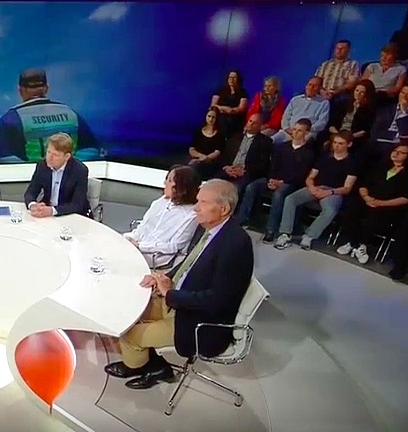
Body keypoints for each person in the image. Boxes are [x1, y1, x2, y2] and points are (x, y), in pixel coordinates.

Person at [104, 179, 253, 390]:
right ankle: (150, 364)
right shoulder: (210, 228)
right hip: (181, 301)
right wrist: (162, 277)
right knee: (126, 312)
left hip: (199, 322)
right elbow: (189, 263)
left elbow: (217, 301)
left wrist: (170, 295)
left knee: (129, 333)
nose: (195, 207)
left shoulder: (236, 245)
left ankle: (142, 367)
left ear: (224, 209)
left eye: (203, 202)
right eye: (197, 201)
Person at [0, 68, 102, 163]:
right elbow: (91, 151)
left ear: (20, 90)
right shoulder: (71, 114)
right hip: (70, 178)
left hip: (33, 179)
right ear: (46, 88)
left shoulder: (11, 119)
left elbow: (4, 159)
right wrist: (67, 168)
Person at [274, 131, 358, 250]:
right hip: (317, 187)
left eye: (340, 143)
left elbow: (347, 188)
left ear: (349, 144)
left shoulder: (352, 163)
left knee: (330, 210)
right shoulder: (324, 158)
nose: (336, 146)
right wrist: (312, 187)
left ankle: (309, 236)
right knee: (290, 199)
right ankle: (285, 233)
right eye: (335, 142)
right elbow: (310, 177)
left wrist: (329, 192)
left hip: (334, 191)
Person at [237, 119, 316, 241]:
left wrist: (281, 182)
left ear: (306, 133)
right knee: (252, 186)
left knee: (279, 194)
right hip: (274, 179)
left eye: (299, 130)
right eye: (294, 129)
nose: (295, 132)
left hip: (291, 183)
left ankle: (271, 229)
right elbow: (272, 166)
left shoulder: (309, 153)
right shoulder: (282, 147)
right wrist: (271, 179)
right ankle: (241, 220)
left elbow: (301, 174)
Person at [335, 143, 408, 264]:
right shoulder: (380, 166)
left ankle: (360, 244)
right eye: (395, 150)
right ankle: (355, 244)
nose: (396, 153)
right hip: (369, 199)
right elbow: (363, 184)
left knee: (373, 220)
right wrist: (366, 197)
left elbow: (405, 198)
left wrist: (381, 203)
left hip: (389, 206)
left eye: (401, 152)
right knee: (350, 210)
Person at [123, 165, 199, 268]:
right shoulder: (161, 201)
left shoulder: (191, 216)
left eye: (170, 180)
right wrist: (129, 238)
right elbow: (143, 227)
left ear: (181, 187)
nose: (165, 183)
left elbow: (173, 246)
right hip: (137, 245)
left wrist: (141, 246)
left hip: (155, 257)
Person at [23, 132, 90, 218]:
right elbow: (30, 192)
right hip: (48, 215)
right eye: (48, 152)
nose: (49, 158)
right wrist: (33, 205)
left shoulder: (79, 170)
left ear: (67, 156)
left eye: (55, 155)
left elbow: (77, 205)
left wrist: (52, 210)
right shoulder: (42, 165)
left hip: (71, 215)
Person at [215, 113, 274, 198]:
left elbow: (263, 165)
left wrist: (245, 171)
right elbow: (225, 155)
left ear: (260, 127)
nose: (251, 124)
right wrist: (226, 167)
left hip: (246, 174)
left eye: (254, 123)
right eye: (250, 121)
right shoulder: (235, 137)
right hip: (229, 170)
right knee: (213, 185)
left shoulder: (265, 142)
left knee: (234, 190)